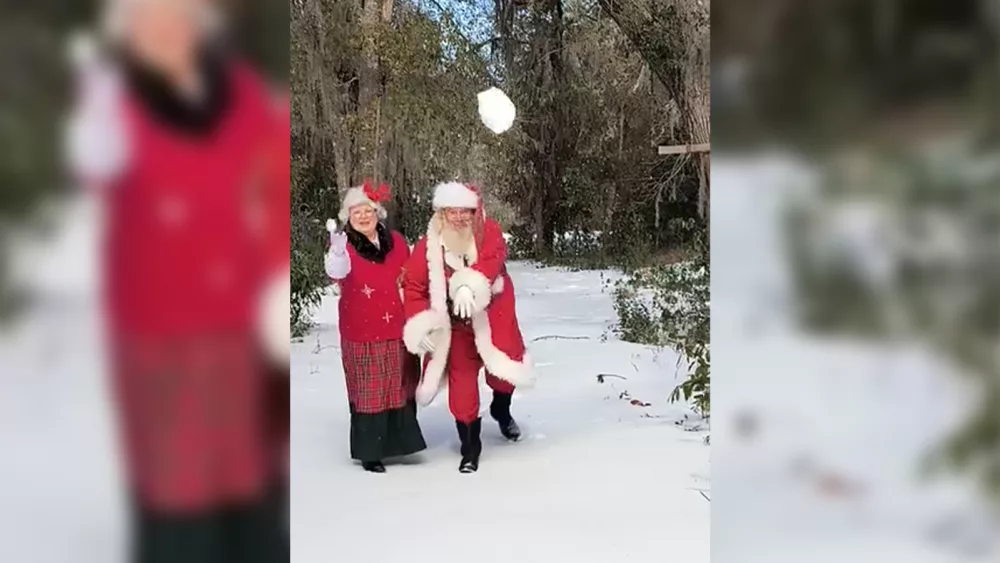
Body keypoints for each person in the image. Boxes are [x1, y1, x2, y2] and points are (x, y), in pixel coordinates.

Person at [64, 0, 289, 561]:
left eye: (175, 17)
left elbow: (273, 176)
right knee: (179, 482)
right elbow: (97, 171)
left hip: (241, 321)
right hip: (161, 331)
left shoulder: (239, 90)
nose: (163, 31)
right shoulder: (115, 106)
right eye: (147, 21)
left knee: (248, 474)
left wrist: (275, 278)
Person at [401, 181, 534, 473]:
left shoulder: (489, 232)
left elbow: (493, 258)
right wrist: (420, 324)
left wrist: (468, 286)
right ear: (442, 214)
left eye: (466, 211)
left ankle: (501, 409)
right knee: (462, 390)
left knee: (504, 375)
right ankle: (470, 447)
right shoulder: (428, 247)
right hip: (456, 328)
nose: (460, 217)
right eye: (453, 211)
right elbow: (414, 286)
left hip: (492, 321)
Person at [324, 181, 427, 473]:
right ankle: (371, 452)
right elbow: (336, 272)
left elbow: (413, 279)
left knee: (399, 385)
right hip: (362, 331)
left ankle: (401, 443)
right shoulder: (342, 248)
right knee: (370, 389)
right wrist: (337, 253)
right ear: (348, 216)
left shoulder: (396, 241)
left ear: (377, 212)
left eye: (367, 210)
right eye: (356, 212)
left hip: (399, 328)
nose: (363, 216)